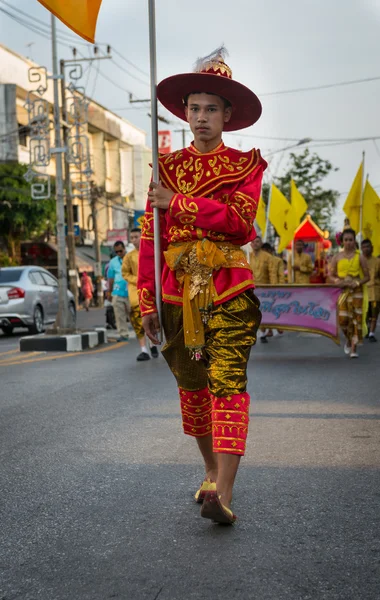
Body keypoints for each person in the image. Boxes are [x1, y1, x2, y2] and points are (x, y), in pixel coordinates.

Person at [137, 47, 266, 524]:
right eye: (195, 107)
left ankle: (224, 494)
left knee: (228, 384)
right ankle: (211, 469)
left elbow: (239, 223)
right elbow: (150, 239)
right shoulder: (164, 167)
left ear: (227, 115)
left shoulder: (246, 165)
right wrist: (146, 300)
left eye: (212, 108)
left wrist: (180, 202)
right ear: (184, 112)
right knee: (192, 390)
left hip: (229, 287)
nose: (202, 117)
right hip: (175, 293)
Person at [328, 228, 370, 358]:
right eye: (346, 240)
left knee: (356, 319)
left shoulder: (360, 257)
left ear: (354, 241)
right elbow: (331, 274)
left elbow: (367, 277)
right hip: (342, 291)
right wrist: (337, 281)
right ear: (342, 241)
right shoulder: (337, 257)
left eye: (351, 240)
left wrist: (357, 283)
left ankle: (353, 348)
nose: (348, 242)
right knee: (343, 320)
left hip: (356, 291)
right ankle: (348, 338)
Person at [122, 228, 159, 361]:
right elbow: (125, 273)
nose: (134, 240)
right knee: (138, 319)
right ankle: (143, 350)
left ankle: (152, 343)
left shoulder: (152, 251)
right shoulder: (128, 256)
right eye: (131, 238)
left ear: (142, 236)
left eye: (136, 237)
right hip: (136, 292)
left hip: (151, 289)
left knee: (153, 318)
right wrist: (137, 280)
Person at [250, 237, 277, 342]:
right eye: (253, 242)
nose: (255, 244)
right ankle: (255, 333)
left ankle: (263, 333)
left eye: (257, 242)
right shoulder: (247, 256)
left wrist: (274, 288)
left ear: (261, 243)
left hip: (265, 290)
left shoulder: (268, 257)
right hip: (252, 289)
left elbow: (272, 274)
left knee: (264, 311)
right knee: (252, 312)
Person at [107, 240, 130, 341]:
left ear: (124, 249)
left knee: (135, 314)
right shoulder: (113, 262)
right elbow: (110, 279)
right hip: (117, 291)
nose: (119, 253)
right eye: (116, 252)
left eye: (120, 251)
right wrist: (109, 291)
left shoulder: (131, 258)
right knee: (119, 315)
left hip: (131, 291)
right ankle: (123, 334)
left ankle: (141, 333)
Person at [361, 239, 380, 342]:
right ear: (361, 249)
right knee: (365, 314)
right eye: (364, 247)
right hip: (363, 290)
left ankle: (372, 333)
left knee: (374, 313)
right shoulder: (360, 261)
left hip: (375, 291)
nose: (366, 249)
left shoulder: (377, 261)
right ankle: (367, 330)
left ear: (372, 248)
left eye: (368, 246)